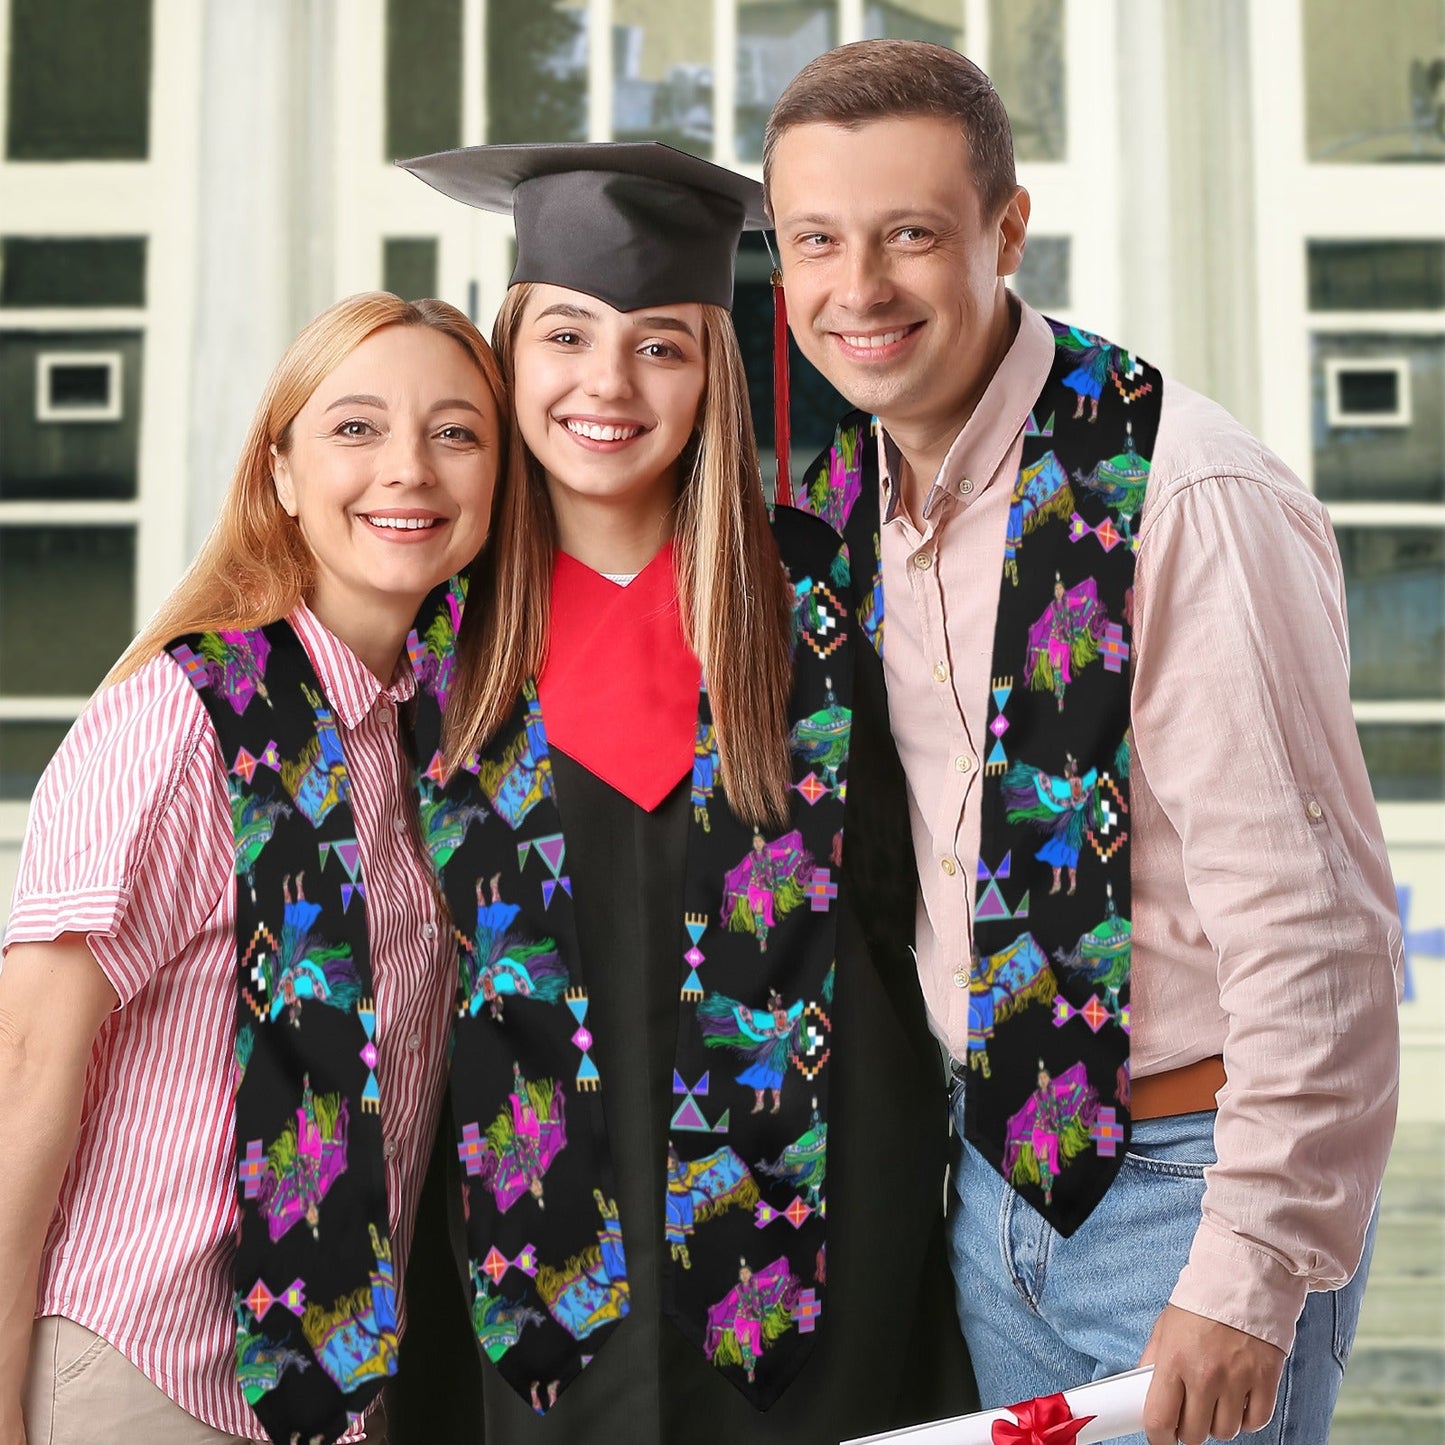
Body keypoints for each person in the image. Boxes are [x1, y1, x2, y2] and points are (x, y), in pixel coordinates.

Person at [763, 39, 1402, 1445]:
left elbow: (1322, 937)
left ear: (1005, 232)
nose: (856, 289)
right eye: (817, 239)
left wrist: (1248, 1274)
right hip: (992, 1181)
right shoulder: (853, 493)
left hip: (1189, 1191)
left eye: (910, 235)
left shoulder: (1183, 496)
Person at [385, 141, 973, 1444]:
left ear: (712, 371)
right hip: (514, 1274)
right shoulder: (427, 626)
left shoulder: (817, 601)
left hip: (803, 1258)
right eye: (568, 336)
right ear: (506, 353)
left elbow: (901, 907)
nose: (608, 384)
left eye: (660, 344)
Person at [0, 292, 506, 1445]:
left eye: (456, 432)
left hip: (335, 1388)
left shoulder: (429, 738)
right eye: (356, 428)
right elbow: (25, 1055)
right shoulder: (177, 721)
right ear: (278, 472)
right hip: (140, 1371)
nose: (408, 470)